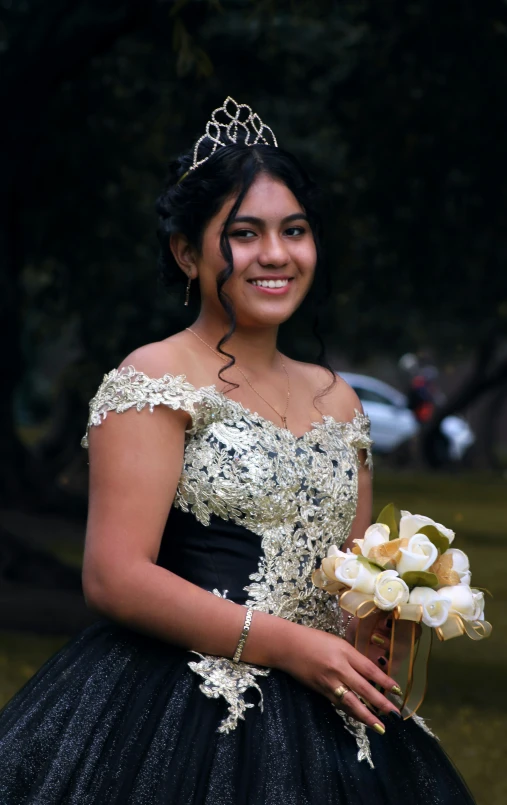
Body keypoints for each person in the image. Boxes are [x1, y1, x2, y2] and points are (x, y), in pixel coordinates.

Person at [0, 97, 475, 804]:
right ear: (186, 252)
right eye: (244, 234)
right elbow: (115, 575)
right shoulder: (154, 379)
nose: (276, 254)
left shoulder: (338, 401)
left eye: (295, 230)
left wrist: (395, 610)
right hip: (174, 704)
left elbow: (344, 582)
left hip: (328, 715)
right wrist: (289, 645)